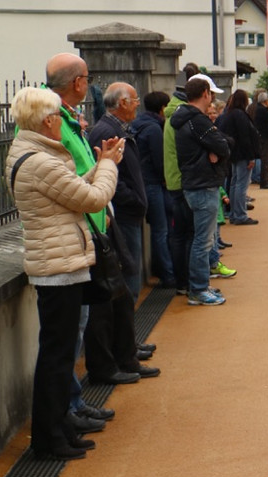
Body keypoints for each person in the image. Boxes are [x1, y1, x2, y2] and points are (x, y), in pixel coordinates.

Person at [6, 85, 120, 460]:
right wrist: (108, 166)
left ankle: (59, 428)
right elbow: (93, 199)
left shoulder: (33, 153)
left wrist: (97, 168)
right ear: (49, 120)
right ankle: (49, 437)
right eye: (61, 118)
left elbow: (69, 192)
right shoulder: (39, 160)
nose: (64, 124)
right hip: (58, 268)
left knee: (58, 355)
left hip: (58, 263)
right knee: (56, 357)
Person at [84, 82, 161, 383]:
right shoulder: (106, 131)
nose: (137, 104)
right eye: (134, 100)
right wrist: (132, 199)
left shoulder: (117, 127)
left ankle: (127, 345)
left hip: (126, 212)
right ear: (122, 103)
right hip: (121, 214)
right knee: (124, 284)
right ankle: (123, 349)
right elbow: (110, 172)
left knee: (127, 284)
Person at [171, 74, 233, 306]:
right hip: (203, 184)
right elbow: (222, 146)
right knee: (203, 241)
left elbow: (220, 147)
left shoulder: (182, 118)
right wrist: (215, 153)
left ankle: (199, 285)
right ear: (205, 93)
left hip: (193, 183)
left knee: (200, 239)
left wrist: (217, 150)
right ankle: (198, 289)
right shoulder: (198, 120)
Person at [163, 62, 202, 295]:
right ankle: (186, 282)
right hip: (182, 181)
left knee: (181, 234)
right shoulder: (183, 117)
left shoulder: (172, 115)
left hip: (174, 179)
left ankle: (182, 282)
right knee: (187, 235)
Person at [133, 90, 175, 288]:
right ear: (162, 109)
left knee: (159, 228)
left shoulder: (138, 125)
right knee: (162, 229)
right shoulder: (155, 129)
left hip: (143, 181)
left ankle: (164, 270)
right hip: (154, 183)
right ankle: (167, 274)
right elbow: (160, 161)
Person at [217, 88, 259, 225]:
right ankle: (239, 214)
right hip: (242, 154)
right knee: (241, 184)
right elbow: (245, 137)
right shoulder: (240, 115)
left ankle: (235, 213)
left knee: (235, 183)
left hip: (234, 154)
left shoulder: (230, 114)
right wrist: (251, 156)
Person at [253, 91, 268, 189]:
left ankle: (264, 180)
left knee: (266, 159)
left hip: (263, 136)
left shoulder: (258, 109)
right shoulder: (263, 110)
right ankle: (264, 181)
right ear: (265, 101)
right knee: (266, 159)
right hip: (266, 137)